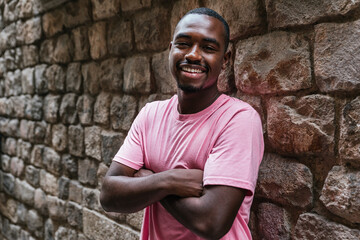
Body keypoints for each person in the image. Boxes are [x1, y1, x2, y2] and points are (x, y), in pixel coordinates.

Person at [100, 7, 264, 240]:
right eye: (184, 44)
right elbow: (108, 195)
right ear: (171, 50)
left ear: (225, 60)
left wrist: (147, 181)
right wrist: (169, 181)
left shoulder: (237, 119)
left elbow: (211, 222)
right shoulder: (151, 114)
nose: (194, 55)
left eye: (208, 48)